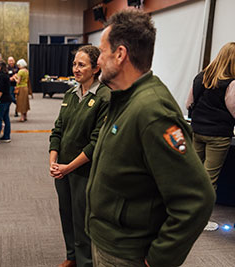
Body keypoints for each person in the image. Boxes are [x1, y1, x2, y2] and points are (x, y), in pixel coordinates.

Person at [85, 9, 215, 267]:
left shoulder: (152, 111)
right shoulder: (121, 98)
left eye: (102, 51)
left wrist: (159, 259)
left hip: (127, 254)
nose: (98, 60)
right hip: (109, 241)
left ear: (120, 54)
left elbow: (197, 199)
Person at [49, 45, 110, 267]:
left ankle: (85, 262)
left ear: (96, 68)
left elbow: (96, 143)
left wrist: (68, 167)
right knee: (66, 214)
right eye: (74, 64)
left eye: (81, 65)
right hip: (62, 169)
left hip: (84, 171)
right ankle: (72, 256)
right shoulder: (70, 94)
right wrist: (53, 161)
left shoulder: (105, 97)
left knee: (83, 218)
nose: (75, 68)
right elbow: (57, 130)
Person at [186, 42, 235, 230]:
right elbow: (233, 110)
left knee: (193, 175)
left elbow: (188, 103)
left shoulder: (200, 77)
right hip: (218, 136)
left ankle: (186, 214)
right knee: (208, 179)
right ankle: (201, 220)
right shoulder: (231, 83)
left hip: (197, 131)